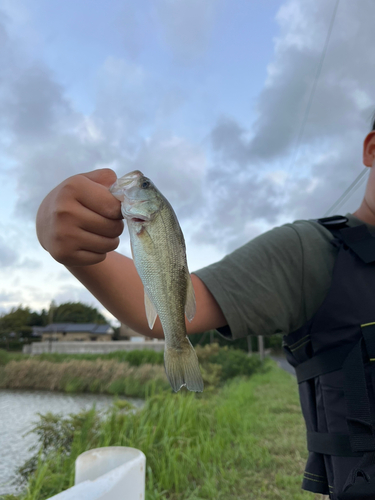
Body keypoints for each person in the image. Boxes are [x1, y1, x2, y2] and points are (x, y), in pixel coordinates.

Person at [36, 123, 375, 500]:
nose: (142, 187)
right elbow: (173, 308)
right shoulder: (308, 251)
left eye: (146, 187)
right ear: (372, 148)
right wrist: (70, 243)